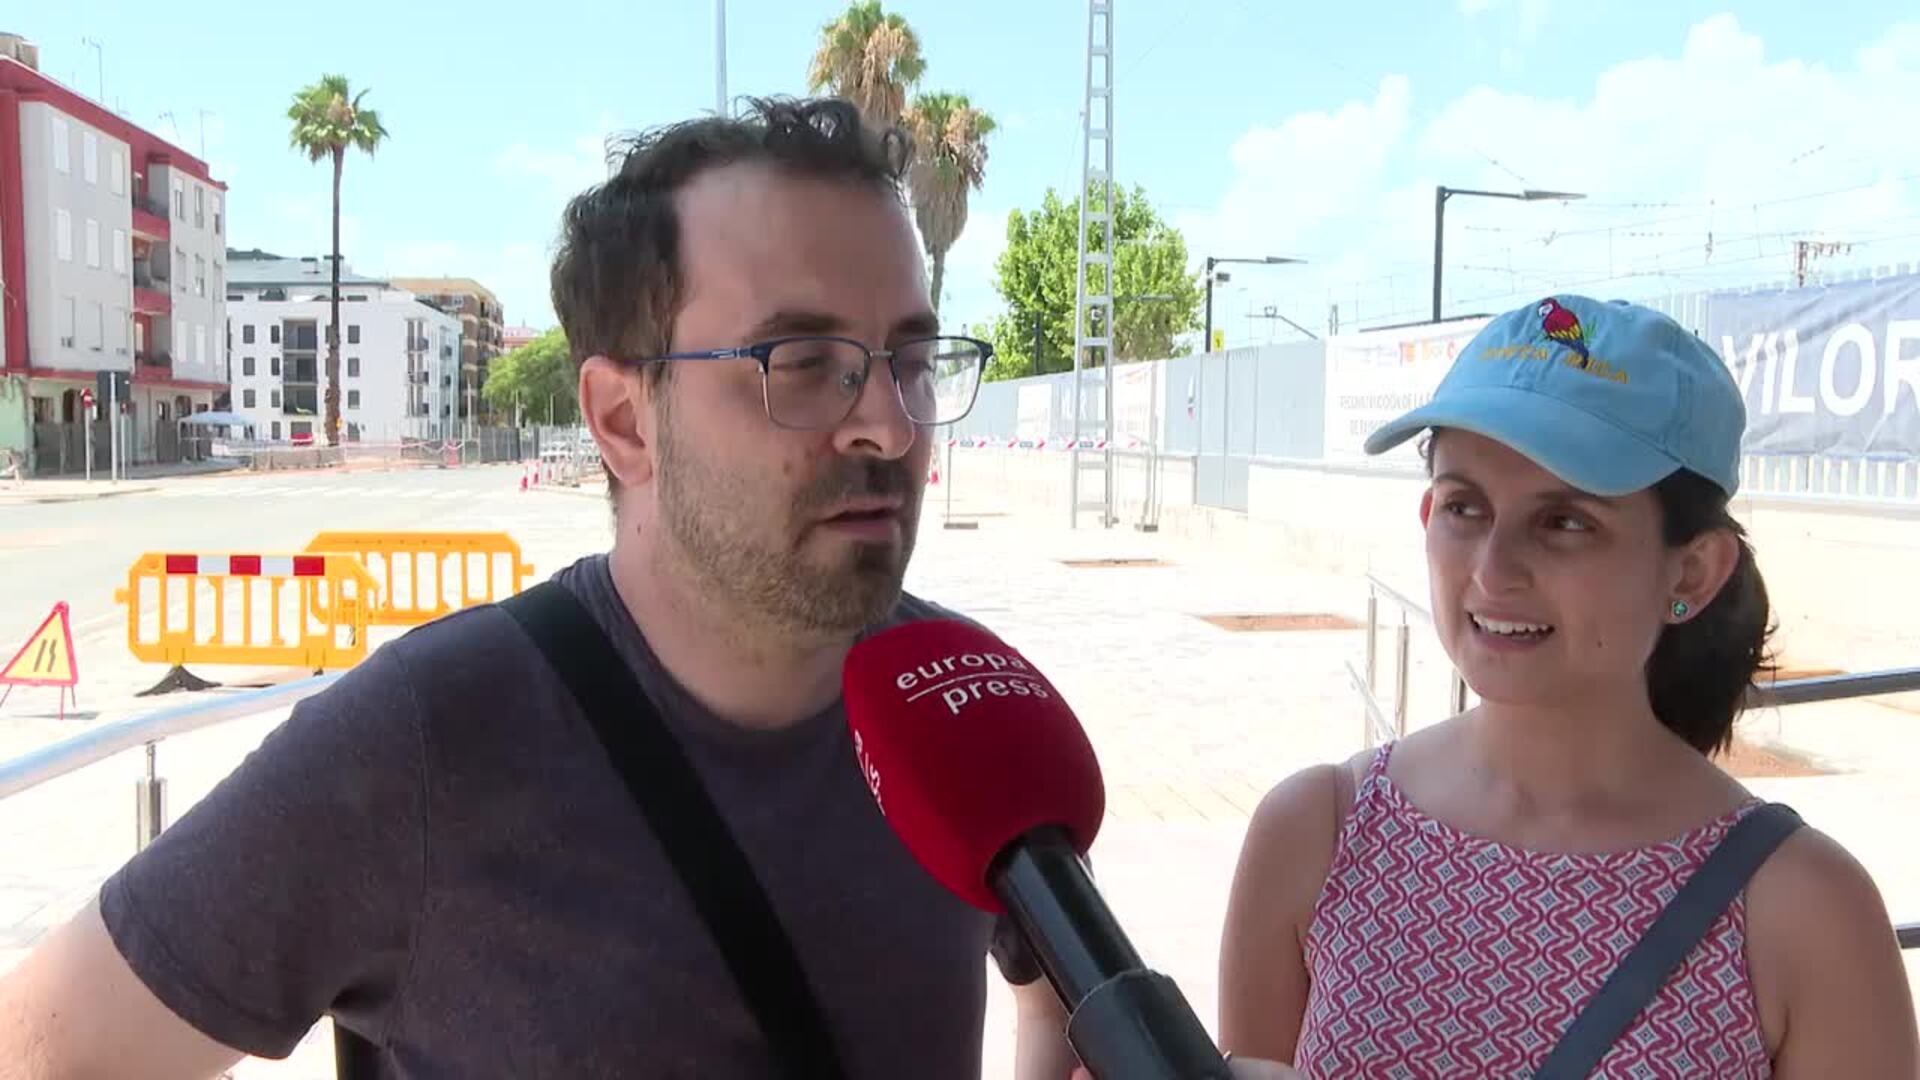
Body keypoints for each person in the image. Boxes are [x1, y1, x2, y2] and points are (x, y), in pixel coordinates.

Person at [0, 96, 1078, 1079]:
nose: (888, 425)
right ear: (622, 421)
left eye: (910, 362)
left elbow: (1056, 1001)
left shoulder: (965, 705)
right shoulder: (427, 741)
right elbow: (46, 1051)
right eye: (801, 363)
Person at [1216, 295, 1919, 1077]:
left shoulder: (1804, 911)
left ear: (1693, 571)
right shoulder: (1318, 836)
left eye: (1567, 522)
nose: (1492, 571)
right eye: (1464, 507)